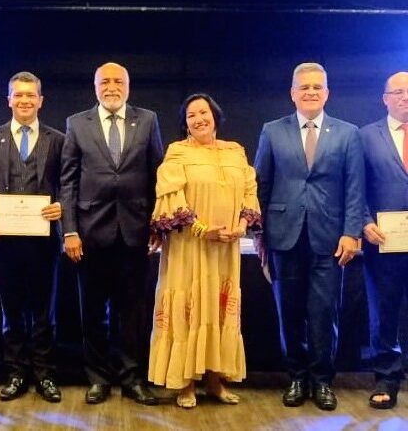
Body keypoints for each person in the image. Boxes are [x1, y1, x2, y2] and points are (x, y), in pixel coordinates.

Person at [254, 62, 365, 411]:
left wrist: (351, 232)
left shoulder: (348, 133)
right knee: (289, 312)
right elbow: (261, 185)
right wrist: (259, 234)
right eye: (304, 87)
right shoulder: (272, 131)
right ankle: (297, 378)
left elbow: (355, 188)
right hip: (283, 237)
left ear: (327, 93)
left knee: (323, 313)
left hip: (330, 240)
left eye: (317, 87)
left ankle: (322, 381)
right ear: (293, 93)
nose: (311, 92)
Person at [147, 93, 261, 408]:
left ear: (215, 116)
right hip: (189, 247)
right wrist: (201, 229)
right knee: (190, 306)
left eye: (204, 112)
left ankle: (214, 380)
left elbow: (250, 190)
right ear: (185, 123)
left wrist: (241, 225)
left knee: (218, 308)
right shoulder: (177, 152)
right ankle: (185, 382)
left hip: (225, 248)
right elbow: (170, 197)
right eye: (192, 115)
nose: (199, 119)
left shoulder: (235, 151)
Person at [60, 62, 163, 405]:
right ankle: (98, 379)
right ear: (95, 87)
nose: (112, 87)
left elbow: (157, 175)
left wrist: (157, 225)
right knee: (92, 312)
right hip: (89, 234)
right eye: (105, 81)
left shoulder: (147, 120)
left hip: (135, 232)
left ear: (128, 86)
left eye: (118, 81)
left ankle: (132, 378)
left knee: (132, 312)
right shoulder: (77, 123)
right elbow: (68, 182)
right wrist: (69, 231)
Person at [0, 71, 63, 403]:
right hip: (4, 242)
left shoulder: (59, 140)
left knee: (43, 314)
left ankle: (45, 374)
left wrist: (61, 206)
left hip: (44, 243)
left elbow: (68, 185)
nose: (25, 100)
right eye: (18, 94)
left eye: (31, 95)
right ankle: (15, 373)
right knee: (11, 313)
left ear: (41, 100)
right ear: (8, 99)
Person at [360, 71, 408, 409]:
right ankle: (387, 378)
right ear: (385, 99)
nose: (406, 97)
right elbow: (355, 186)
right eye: (399, 92)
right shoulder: (365, 136)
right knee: (384, 310)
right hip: (383, 240)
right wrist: (363, 222)